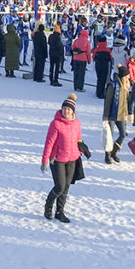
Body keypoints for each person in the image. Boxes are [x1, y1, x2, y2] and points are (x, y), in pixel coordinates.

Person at [41, 94, 87, 223]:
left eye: (69, 109)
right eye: (64, 109)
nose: (66, 111)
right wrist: (45, 160)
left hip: (72, 159)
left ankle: (59, 212)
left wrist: (82, 148)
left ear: (73, 111)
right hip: (58, 160)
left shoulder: (77, 123)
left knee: (66, 187)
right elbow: (49, 143)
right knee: (60, 186)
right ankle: (48, 205)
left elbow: (78, 138)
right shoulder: (56, 124)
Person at [102, 66, 131, 164]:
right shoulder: (113, 85)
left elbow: (126, 102)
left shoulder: (126, 86)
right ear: (123, 76)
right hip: (112, 115)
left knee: (123, 134)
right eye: (127, 75)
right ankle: (107, 155)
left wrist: (126, 115)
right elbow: (108, 101)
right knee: (109, 136)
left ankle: (114, 151)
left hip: (122, 115)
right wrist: (105, 116)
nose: (129, 77)